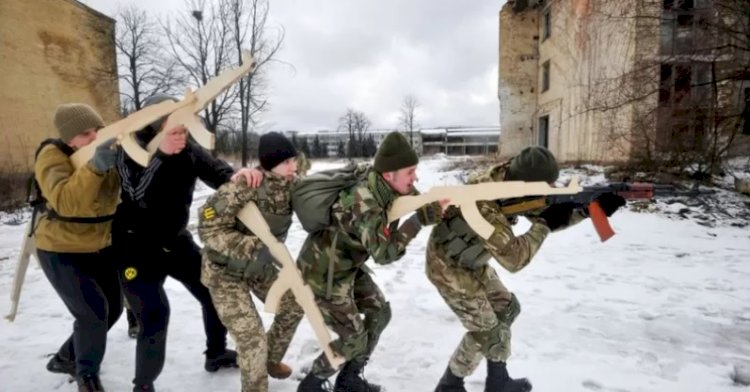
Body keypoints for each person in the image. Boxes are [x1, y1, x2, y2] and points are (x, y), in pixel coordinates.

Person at [427, 146, 626, 392]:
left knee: (507, 309)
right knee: (486, 329)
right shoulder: (483, 203)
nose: (551, 189)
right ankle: (457, 385)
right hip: (448, 267)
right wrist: (544, 224)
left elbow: (546, 213)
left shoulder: (513, 184)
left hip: (473, 260)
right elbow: (514, 259)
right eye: (547, 185)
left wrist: (587, 210)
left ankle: (483, 381)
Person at [111, 94, 262, 391]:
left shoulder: (188, 150)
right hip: (135, 246)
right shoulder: (130, 148)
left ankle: (215, 353)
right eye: (174, 124)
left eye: (184, 124)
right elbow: (138, 193)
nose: (182, 131)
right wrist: (162, 156)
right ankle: (143, 385)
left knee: (212, 290)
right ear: (156, 125)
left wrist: (236, 176)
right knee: (155, 315)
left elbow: (217, 171)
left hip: (174, 241)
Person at [296, 131, 448, 392]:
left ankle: (349, 379)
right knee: (353, 339)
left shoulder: (385, 184)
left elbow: (413, 196)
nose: (416, 178)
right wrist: (418, 221)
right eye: (410, 172)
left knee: (379, 312)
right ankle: (311, 385)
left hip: (347, 266)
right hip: (322, 274)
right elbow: (384, 254)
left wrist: (432, 203)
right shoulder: (365, 204)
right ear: (389, 175)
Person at [199, 132, 306, 392]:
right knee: (252, 339)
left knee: (294, 305)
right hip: (225, 274)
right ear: (270, 165)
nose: (293, 168)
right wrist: (256, 247)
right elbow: (208, 229)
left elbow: (321, 193)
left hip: (258, 269)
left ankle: (269, 361)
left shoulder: (292, 185)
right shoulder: (243, 186)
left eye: (295, 161)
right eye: (286, 163)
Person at [34, 103, 123, 392]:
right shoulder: (51, 157)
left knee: (113, 310)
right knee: (92, 313)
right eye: (86, 134)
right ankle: (87, 375)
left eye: (98, 129)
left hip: (99, 246)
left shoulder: (104, 152)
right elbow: (66, 202)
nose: (95, 137)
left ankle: (64, 357)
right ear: (69, 138)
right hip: (61, 249)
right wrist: (96, 168)